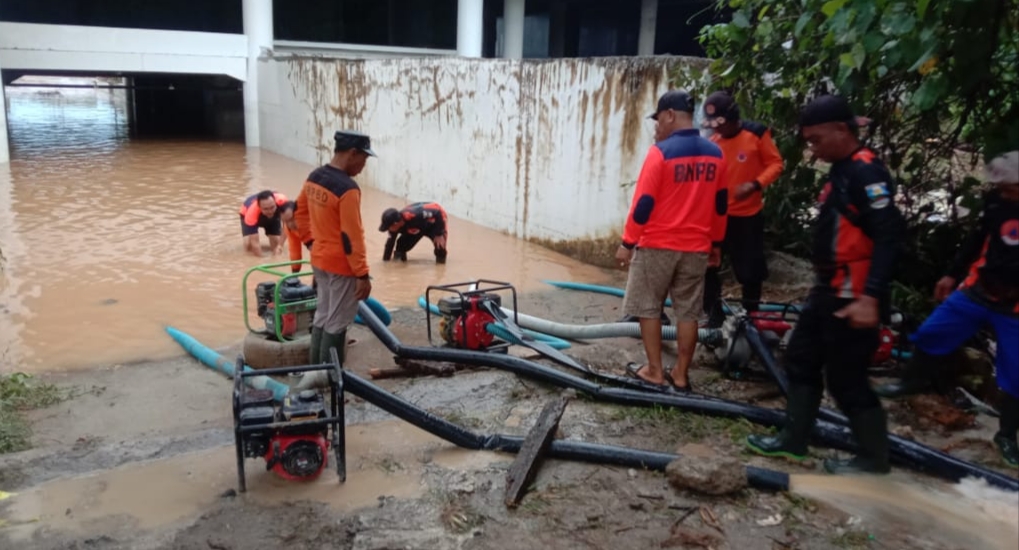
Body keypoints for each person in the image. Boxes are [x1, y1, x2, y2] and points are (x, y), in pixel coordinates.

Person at [746, 95, 905, 475]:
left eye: (816, 140)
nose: (813, 151)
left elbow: (889, 238)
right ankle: (794, 439)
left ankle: (872, 458)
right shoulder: (843, 170)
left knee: (846, 379)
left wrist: (870, 297)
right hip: (828, 291)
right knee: (800, 359)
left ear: (842, 130)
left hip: (855, 295)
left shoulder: (867, 173)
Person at [874, 150, 1019, 467]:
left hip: (1016, 306)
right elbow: (976, 240)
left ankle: (1007, 434)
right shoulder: (997, 204)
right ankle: (911, 382)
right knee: (931, 333)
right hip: (979, 289)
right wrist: (952, 274)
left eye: (1011, 187)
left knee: (1016, 373)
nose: (1005, 192)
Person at [616, 89, 728, 392]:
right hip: (697, 248)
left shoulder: (660, 153)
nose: (656, 128)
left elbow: (643, 204)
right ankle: (680, 374)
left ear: (669, 115)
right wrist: (716, 244)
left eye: (658, 121)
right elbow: (720, 205)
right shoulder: (716, 154)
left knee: (648, 307)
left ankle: (654, 371)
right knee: (688, 312)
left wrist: (627, 243)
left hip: (656, 245)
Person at [700, 91, 785, 327]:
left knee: (750, 271)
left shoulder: (756, 134)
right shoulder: (711, 141)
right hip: (717, 217)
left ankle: (751, 316)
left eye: (721, 125)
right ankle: (714, 315)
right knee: (709, 266)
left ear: (733, 118)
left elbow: (776, 164)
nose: (718, 130)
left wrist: (755, 184)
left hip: (747, 217)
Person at [295, 130, 375, 365]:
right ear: (352, 153)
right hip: (342, 266)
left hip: (320, 260)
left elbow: (298, 212)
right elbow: (352, 236)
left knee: (322, 316)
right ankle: (330, 381)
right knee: (337, 322)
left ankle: (315, 373)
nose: (363, 165)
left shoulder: (315, 177)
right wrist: (362, 274)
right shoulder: (347, 189)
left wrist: (311, 242)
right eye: (364, 159)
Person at [379, 202, 449, 264]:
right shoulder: (393, 227)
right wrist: (385, 263)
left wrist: (439, 233)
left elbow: (437, 212)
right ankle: (400, 267)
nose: (388, 230)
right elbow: (389, 245)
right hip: (417, 228)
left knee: (440, 247)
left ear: (395, 223)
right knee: (401, 246)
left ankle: (441, 269)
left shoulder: (414, 214)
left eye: (388, 227)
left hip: (434, 223)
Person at [239, 190, 289, 257]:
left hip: (274, 214)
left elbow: (287, 226)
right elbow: (255, 243)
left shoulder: (283, 202)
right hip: (246, 213)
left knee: (276, 243)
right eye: (266, 209)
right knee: (249, 246)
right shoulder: (251, 214)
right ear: (259, 207)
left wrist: (280, 246)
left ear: (275, 202)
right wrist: (261, 259)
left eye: (272, 207)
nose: (270, 211)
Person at [279, 201, 313, 274]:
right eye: (286, 221)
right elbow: (295, 251)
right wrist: (294, 275)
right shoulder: (288, 228)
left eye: (292, 219)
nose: (290, 224)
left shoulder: (314, 223)